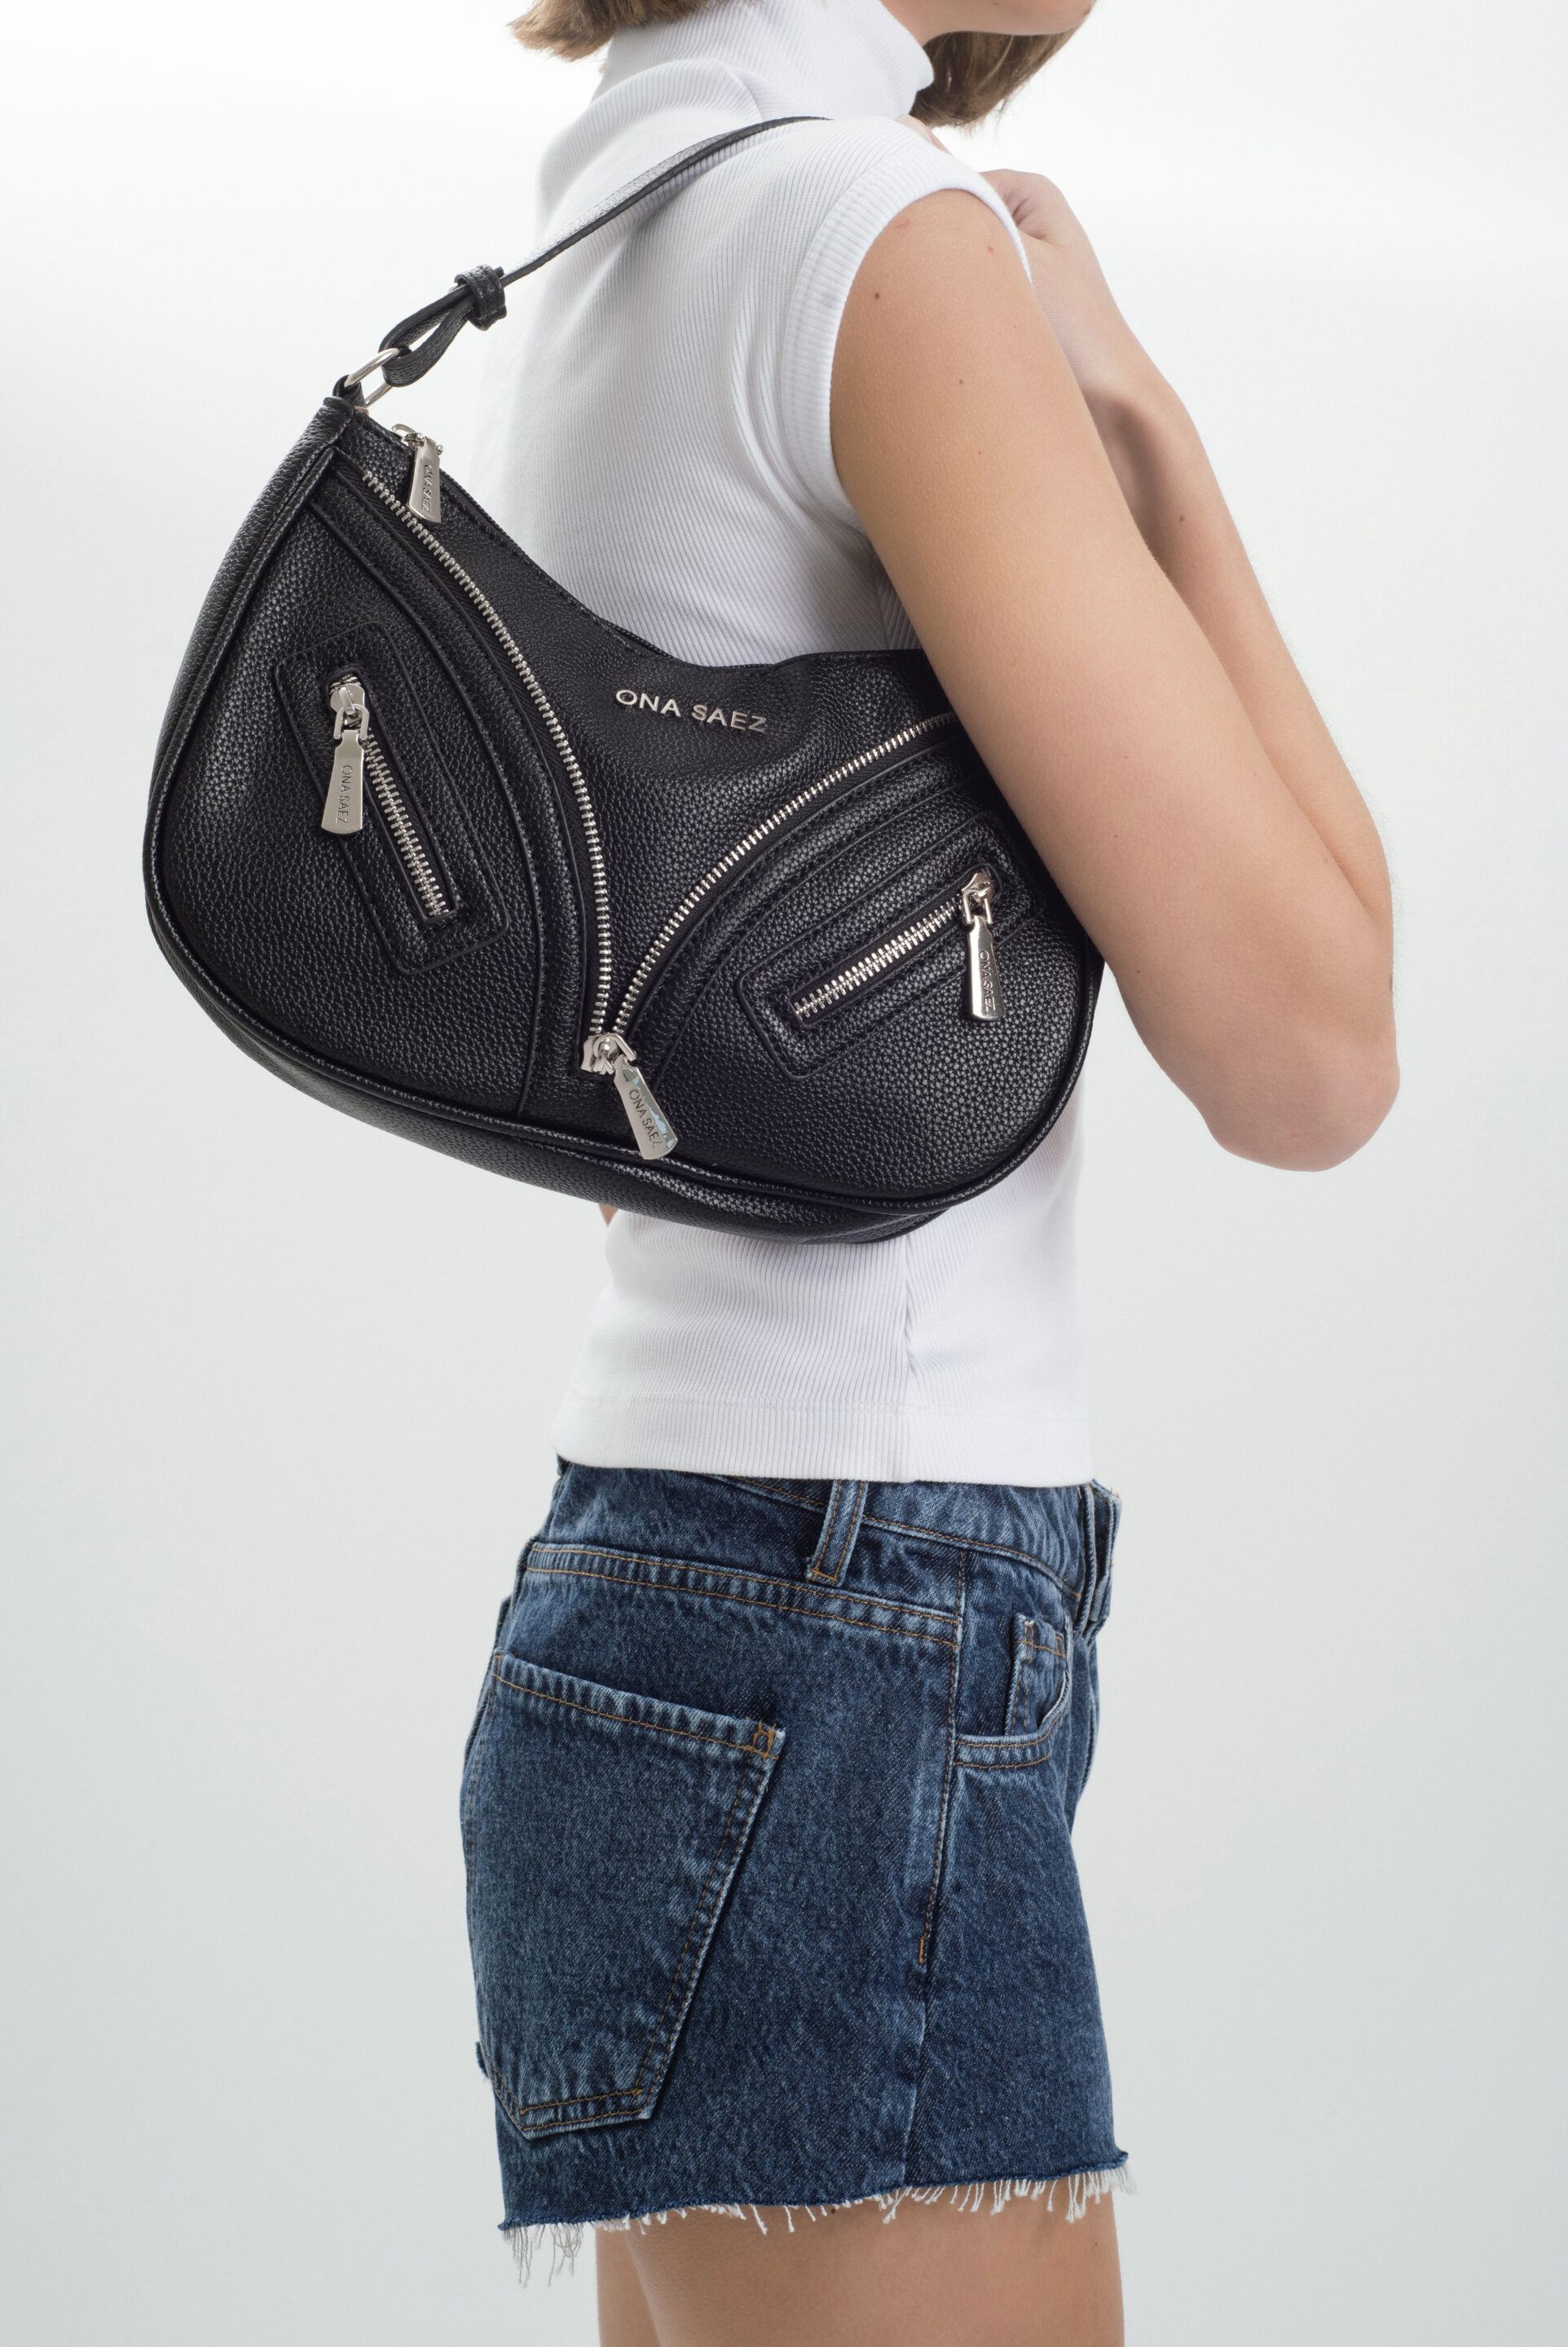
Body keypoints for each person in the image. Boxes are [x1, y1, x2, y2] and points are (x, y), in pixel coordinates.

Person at [463, 2, 1398, 2340]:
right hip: (846, 1613)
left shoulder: (620, 216)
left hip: (658, 1586)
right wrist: (1147, 436)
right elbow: (1311, 1054)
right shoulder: (867, 231)